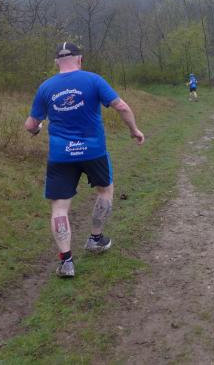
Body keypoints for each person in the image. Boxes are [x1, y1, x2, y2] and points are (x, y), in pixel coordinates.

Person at [24, 41, 145, 278]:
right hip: (93, 151)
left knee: (60, 206)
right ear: (80, 59)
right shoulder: (93, 80)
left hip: (61, 155)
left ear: (56, 62)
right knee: (105, 190)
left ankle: (66, 262)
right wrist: (134, 130)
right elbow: (121, 106)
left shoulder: (46, 87)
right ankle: (95, 239)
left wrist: (37, 129)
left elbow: (30, 125)